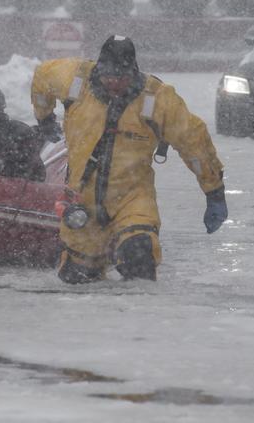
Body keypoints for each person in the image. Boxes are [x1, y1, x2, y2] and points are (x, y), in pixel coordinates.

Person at [31, 35, 228, 283]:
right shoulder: (73, 79)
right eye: (108, 76)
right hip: (83, 200)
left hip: (133, 197)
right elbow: (41, 79)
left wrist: (214, 190)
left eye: (121, 78)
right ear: (98, 69)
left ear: (133, 72)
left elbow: (194, 143)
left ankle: (141, 319)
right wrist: (44, 117)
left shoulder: (157, 99)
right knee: (78, 277)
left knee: (140, 256)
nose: (114, 83)